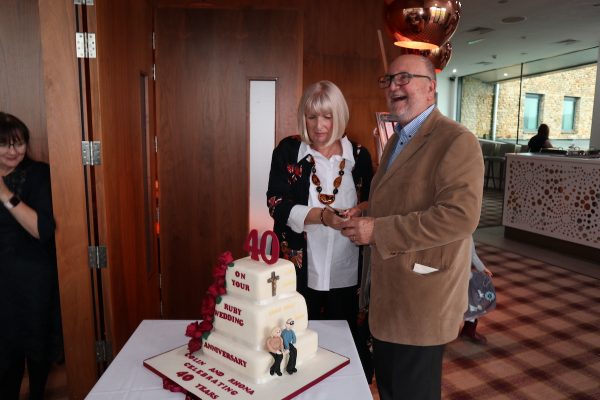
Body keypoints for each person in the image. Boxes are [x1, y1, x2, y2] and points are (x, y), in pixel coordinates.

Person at [340, 55, 484, 400]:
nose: (393, 86)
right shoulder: (398, 137)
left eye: (405, 78)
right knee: (390, 389)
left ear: (431, 87)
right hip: (391, 297)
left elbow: (460, 216)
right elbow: (405, 198)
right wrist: (364, 209)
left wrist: (378, 231)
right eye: (388, 80)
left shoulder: (455, 140)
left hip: (422, 300)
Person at [266, 80, 373, 381]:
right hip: (300, 274)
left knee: (345, 350)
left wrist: (359, 210)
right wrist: (321, 217)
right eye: (312, 117)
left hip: (348, 273)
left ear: (338, 115)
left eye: (327, 116)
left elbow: (375, 202)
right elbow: (275, 203)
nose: (319, 125)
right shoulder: (288, 152)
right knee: (296, 350)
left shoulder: (360, 156)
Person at [0, 112, 63, 400]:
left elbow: (42, 230)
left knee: (36, 346)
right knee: (6, 352)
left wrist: (5, 195)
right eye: (5, 144)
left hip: (33, 276)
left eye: (19, 142)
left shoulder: (38, 174)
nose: (14, 151)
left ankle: (37, 395)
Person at [460, 239, 494, 344]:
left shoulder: (467, 232)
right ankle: (468, 331)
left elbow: (472, 254)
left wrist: (482, 268)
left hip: (462, 274)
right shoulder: (462, 231)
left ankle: (468, 330)